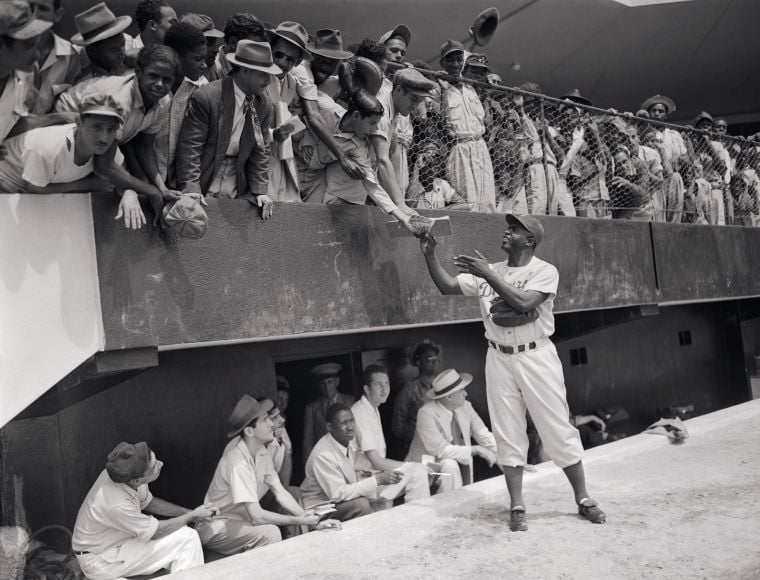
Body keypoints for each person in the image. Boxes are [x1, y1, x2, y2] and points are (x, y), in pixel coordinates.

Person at [419, 213, 606, 531]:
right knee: (507, 432)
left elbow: (523, 302)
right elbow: (447, 285)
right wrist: (429, 254)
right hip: (499, 355)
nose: (507, 232)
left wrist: (488, 275)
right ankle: (517, 505)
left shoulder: (544, 271)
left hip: (536, 354)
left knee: (556, 427)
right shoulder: (491, 270)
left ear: (530, 240)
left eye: (515, 229)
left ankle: (584, 498)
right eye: (508, 227)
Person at [197, 395, 338, 555]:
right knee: (271, 533)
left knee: (288, 507)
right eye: (265, 420)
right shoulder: (237, 461)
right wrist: (298, 520)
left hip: (242, 521)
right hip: (217, 525)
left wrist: (308, 518)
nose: (272, 423)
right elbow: (256, 515)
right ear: (250, 431)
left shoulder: (261, 451)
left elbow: (280, 491)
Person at [0, 93, 161, 229]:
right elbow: (35, 189)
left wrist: (129, 193)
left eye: (111, 129)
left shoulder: (105, 148)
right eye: (97, 127)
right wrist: (86, 184)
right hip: (7, 186)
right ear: (78, 122)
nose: (104, 138)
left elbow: (121, 178)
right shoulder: (49, 147)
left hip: (26, 195)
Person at [56, 44, 180, 206]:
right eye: (153, 76)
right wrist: (150, 190)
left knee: (123, 183)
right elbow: (104, 166)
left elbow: (145, 148)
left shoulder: (164, 100)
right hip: (67, 123)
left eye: (167, 80)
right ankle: (56, 190)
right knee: (105, 183)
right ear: (138, 73)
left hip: (100, 134)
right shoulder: (120, 101)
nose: (159, 84)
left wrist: (162, 189)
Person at [72, 442, 214, 580]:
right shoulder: (116, 503)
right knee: (187, 538)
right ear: (137, 481)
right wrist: (191, 516)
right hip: (100, 560)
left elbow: (150, 503)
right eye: (154, 466)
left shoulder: (126, 473)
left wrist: (187, 512)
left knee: (184, 537)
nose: (161, 464)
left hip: (115, 546)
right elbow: (157, 531)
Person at [175, 40, 278, 218]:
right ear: (245, 70)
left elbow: (261, 149)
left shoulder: (264, 104)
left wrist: (260, 190)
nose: (268, 81)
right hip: (206, 171)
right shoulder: (207, 97)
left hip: (236, 177)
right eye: (263, 74)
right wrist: (191, 187)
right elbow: (190, 147)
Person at [304, 89, 419, 232]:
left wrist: (400, 215)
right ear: (356, 116)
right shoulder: (325, 107)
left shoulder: (358, 147)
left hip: (312, 177)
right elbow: (305, 92)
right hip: (287, 160)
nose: (375, 129)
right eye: (371, 123)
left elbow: (372, 185)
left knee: (308, 223)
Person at [300, 403, 403, 521]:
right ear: (329, 427)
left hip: (336, 501)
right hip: (320, 507)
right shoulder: (323, 455)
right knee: (361, 504)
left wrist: (379, 478)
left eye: (352, 421)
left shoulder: (343, 442)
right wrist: (377, 480)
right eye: (344, 423)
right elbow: (338, 494)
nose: (350, 426)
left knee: (384, 492)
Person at [351, 364, 431, 508]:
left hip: (376, 475)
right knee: (417, 472)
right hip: (364, 480)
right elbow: (376, 461)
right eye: (378, 385)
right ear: (367, 389)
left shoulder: (373, 408)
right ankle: (420, 520)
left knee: (418, 469)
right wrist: (410, 466)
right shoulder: (360, 412)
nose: (384, 389)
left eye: (387, 384)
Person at [406, 369, 497, 492]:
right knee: (449, 464)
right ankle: (451, 506)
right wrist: (476, 450)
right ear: (449, 396)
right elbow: (440, 451)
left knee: (450, 465)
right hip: (426, 467)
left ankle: (458, 504)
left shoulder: (466, 406)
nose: (466, 394)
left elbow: (484, 436)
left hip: (451, 469)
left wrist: (511, 460)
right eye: (461, 391)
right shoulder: (426, 413)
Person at [437, 40, 496, 213]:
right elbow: (440, 121)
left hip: (480, 146)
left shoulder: (472, 88)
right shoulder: (440, 87)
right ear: (442, 63)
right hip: (460, 147)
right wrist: (442, 91)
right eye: (450, 60)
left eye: (459, 59)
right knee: (468, 201)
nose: (455, 64)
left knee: (488, 201)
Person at [155, 21, 209, 186]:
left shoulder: (201, 88)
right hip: (144, 177)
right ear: (175, 56)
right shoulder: (152, 88)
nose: (204, 65)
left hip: (178, 181)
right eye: (197, 59)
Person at [0, 0, 53, 146]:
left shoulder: (23, 76)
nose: (37, 54)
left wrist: (59, 118)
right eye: (29, 46)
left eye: (37, 44)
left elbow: (13, 120)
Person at [27, 0, 81, 114]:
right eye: (29, 7)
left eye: (42, 8)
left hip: (48, 130)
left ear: (57, 15)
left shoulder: (70, 55)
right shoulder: (7, 51)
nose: (34, 14)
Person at [392, 341, 442, 451]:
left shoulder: (443, 385)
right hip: (420, 448)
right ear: (419, 362)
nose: (434, 362)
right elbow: (398, 426)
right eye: (429, 359)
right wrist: (419, 436)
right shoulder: (409, 390)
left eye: (436, 359)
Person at [302, 362, 354, 461]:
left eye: (330, 382)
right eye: (323, 383)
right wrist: (308, 467)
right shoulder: (311, 408)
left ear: (337, 382)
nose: (327, 387)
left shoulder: (351, 401)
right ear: (319, 385)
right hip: (325, 459)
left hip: (349, 456)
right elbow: (307, 442)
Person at [70, 2, 131, 82]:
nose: (122, 54)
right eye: (114, 50)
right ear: (92, 50)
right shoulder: (71, 65)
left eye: (123, 45)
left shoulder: (127, 41)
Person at [205, 12, 266, 82]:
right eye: (251, 47)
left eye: (257, 48)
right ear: (233, 42)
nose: (256, 54)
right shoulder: (211, 68)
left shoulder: (247, 67)